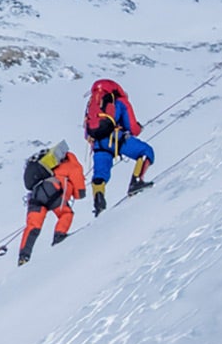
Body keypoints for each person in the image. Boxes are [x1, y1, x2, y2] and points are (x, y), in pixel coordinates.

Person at [85, 79, 154, 213]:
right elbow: (132, 128)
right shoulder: (121, 102)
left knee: (100, 174)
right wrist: (138, 129)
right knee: (146, 152)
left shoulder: (92, 106)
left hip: (98, 144)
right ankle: (136, 181)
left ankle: (98, 202)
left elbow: (86, 133)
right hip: (115, 138)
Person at [19, 142, 88, 263]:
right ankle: (59, 236)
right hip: (53, 191)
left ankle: (23, 256)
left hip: (35, 193)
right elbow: (80, 193)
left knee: (33, 226)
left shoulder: (47, 165)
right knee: (66, 214)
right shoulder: (72, 165)